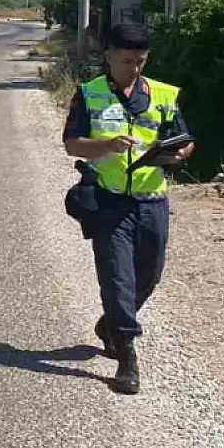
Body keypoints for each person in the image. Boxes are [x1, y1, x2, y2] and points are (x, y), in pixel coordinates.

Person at [62, 22, 195, 395]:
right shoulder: (89, 94)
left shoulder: (164, 95)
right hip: (109, 200)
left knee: (148, 274)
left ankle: (111, 323)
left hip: (153, 201)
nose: (133, 68)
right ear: (108, 56)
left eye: (139, 61)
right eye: (126, 60)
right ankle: (127, 354)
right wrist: (104, 145)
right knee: (117, 276)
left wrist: (180, 153)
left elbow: (186, 140)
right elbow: (72, 144)